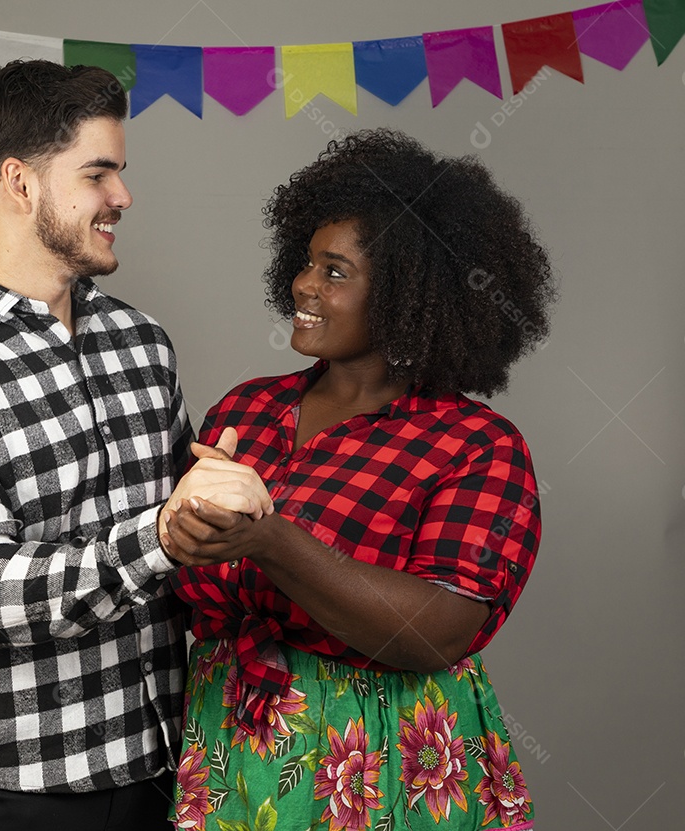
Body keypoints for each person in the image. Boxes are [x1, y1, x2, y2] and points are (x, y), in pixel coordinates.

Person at [0, 59, 271, 831]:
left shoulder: (140, 341)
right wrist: (160, 536)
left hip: (169, 768)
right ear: (20, 183)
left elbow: (189, 544)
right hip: (18, 788)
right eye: (98, 174)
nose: (122, 196)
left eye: (119, 173)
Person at [162, 128, 555, 830]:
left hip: (382, 763)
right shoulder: (246, 410)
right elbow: (183, 581)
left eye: (335, 272)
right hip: (229, 747)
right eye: (307, 263)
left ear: (410, 293)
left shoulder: (476, 447)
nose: (304, 286)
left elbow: (433, 632)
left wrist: (269, 538)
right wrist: (179, 531)